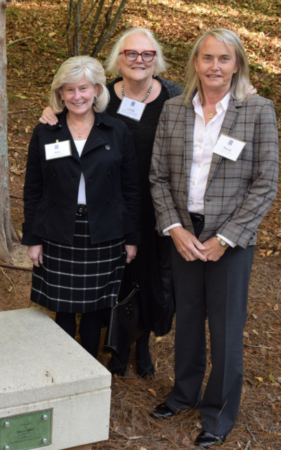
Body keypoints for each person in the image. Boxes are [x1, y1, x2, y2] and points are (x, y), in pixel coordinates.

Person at [149, 29, 278, 447]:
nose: (215, 67)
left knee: (225, 329)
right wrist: (175, 228)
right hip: (185, 233)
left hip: (230, 239)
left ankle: (218, 415)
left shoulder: (258, 111)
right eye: (207, 59)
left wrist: (225, 238)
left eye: (224, 59)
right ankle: (184, 393)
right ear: (195, 64)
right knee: (187, 319)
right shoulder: (174, 109)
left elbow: (266, 182)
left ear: (236, 63)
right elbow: (158, 176)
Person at [40, 28, 183, 378]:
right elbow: (75, 107)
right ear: (118, 59)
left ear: (156, 59)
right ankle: (115, 346)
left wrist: (246, 91)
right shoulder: (105, 97)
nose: (138, 60)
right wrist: (51, 109)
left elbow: (209, 106)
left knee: (148, 277)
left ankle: (142, 342)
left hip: (157, 201)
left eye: (146, 54)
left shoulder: (175, 96)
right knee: (113, 277)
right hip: (109, 203)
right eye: (130, 53)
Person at [23, 56, 141, 359]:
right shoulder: (46, 132)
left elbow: (130, 189)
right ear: (60, 93)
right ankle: (64, 369)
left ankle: (88, 368)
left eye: (84, 89)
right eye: (70, 90)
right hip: (58, 230)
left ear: (97, 90)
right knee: (62, 307)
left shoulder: (116, 131)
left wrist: (132, 237)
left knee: (94, 310)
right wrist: (32, 238)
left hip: (104, 232)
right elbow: (33, 188)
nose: (77, 96)